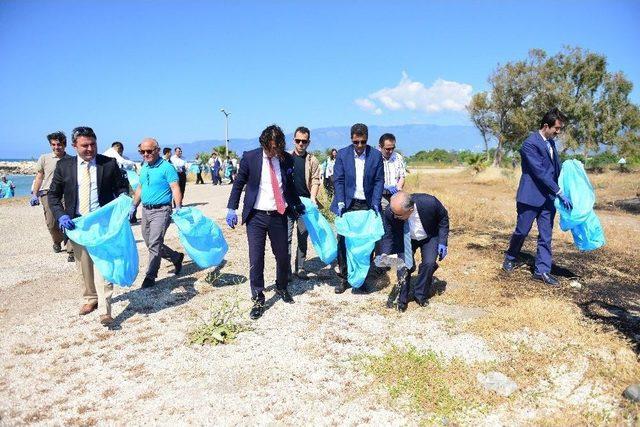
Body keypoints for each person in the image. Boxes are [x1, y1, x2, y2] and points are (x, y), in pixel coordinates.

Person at [48, 126, 129, 326]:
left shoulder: (108, 164)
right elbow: (53, 195)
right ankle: (90, 299)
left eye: (93, 144)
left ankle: (105, 310)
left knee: (103, 265)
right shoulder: (64, 166)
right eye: (85, 145)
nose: (90, 149)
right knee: (83, 266)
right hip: (77, 225)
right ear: (75, 145)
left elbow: (121, 187)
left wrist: (124, 199)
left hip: (102, 225)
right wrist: (60, 216)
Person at [226, 124, 304, 320]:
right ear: (263, 144)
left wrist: (298, 205)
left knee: (282, 255)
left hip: (278, 214)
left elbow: (289, 187)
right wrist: (231, 208)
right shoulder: (250, 157)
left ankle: (281, 286)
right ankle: (258, 297)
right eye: (269, 148)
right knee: (256, 258)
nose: (272, 152)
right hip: (256, 216)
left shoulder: (285, 159)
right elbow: (238, 184)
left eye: (276, 148)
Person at [502, 108, 573, 286]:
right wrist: (559, 192)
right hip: (530, 197)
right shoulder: (530, 144)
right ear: (545, 126)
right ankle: (511, 256)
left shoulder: (551, 143)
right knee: (522, 231)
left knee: (546, 235)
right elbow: (540, 172)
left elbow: (553, 168)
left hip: (547, 199)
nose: (558, 132)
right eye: (556, 128)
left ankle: (542, 271)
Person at [330, 123, 384, 294]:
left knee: (366, 243)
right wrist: (340, 201)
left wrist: (376, 202)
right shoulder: (343, 155)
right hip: (347, 205)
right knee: (344, 242)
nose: (360, 146)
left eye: (363, 142)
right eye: (356, 142)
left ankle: (361, 279)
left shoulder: (375, 155)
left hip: (367, 205)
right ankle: (344, 278)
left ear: (367, 139)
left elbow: (378, 181)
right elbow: (338, 180)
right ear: (351, 139)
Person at [379, 191, 449, 312]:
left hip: (429, 236)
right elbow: (388, 235)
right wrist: (385, 253)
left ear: (410, 210)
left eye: (399, 215)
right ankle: (402, 300)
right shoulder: (391, 212)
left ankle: (420, 295)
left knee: (429, 264)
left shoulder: (430, 202)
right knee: (403, 266)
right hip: (406, 238)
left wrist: (442, 241)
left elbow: (443, 219)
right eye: (394, 213)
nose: (395, 216)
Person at [130, 138, 185, 289]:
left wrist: (178, 207)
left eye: (149, 151)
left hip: (162, 210)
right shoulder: (144, 167)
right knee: (149, 242)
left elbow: (175, 187)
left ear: (157, 150)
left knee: (154, 242)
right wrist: (133, 206)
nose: (146, 154)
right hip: (146, 210)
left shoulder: (167, 167)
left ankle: (150, 276)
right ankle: (176, 257)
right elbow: (140, 188)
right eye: (142, 152)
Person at [29, 131, 75, 260]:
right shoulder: (44, 158)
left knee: (68, 220)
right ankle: (57, 241)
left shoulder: (71, 160)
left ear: (65, 145)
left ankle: (71, 250)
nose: (56, 147)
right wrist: (34, 194)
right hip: (48, 193)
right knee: (51, 223)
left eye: (59, 144)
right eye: (53, 144)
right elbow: (39, 177)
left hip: (66, 193)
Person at [287, 126, 321, 280]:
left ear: (308, 142)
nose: (301, 144)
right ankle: (286, 270)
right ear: (293, 140)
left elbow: (315, 180)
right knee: (285, 238)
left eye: (304, 141)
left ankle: (300, 268)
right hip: (287, 204)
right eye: (298, 141)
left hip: (304, 204)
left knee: (302, 236)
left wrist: (313, 198)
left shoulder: (312, 160)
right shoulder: (285, 158)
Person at [378, 133, 406, 211]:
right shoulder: (375, 158)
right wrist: (384, 186)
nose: (390, 151)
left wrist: (398, 188)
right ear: (380, 147)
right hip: (381, 195)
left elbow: (402, 176)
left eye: (392, 148)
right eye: (387, 149)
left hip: (395, 194)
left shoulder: (398, 157)